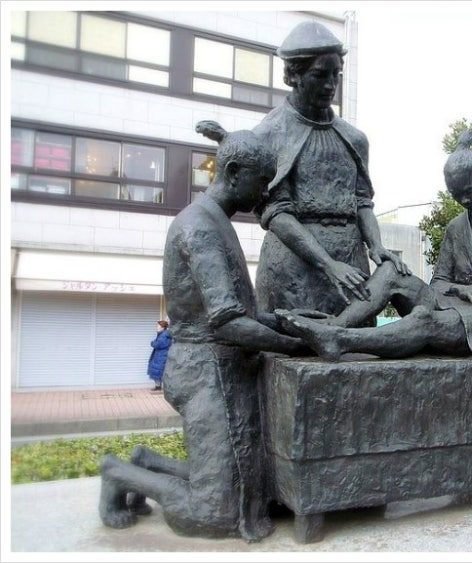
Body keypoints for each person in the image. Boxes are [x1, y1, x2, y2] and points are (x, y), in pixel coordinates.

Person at [98, 122, 311, 542]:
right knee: (214, 513)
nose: (264, 193)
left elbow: (242, 312)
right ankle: (117, 473)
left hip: (225, 367)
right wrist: (293, 344)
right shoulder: (199, 226)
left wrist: (287, 320)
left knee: (247, 486)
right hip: (203, 369)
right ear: (233, 173)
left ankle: (147, 462)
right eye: (261, 182)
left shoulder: (217, 221)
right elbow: (227, 321)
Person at [275, 131, 472, 423]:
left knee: (424, 319)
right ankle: (333, 328)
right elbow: (438, 283)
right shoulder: (456, 228)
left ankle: (340, 339)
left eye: (469, 190)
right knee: (391, 271)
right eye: (456, 195)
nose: (464, 199)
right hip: (454, 301)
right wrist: (463, 290)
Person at [253, 21, 410, 322]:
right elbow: (276, 213)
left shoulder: (354, 138)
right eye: (319, 75)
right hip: (293, 265)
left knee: (356, 341)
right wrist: (328, 264)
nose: (330, 85)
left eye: (335, 74)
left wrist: (376, 246)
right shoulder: (269, 134)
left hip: (351, 259)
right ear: (294, 76)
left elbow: (362, 201)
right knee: (296, 343)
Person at [147, 320, 171, 391]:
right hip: (160, 355)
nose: (156, 327)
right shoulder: (162, 334)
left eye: (158, 326)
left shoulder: (164, 335)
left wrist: (152, 343)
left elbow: (158, 344)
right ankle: (158, 386)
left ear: (162, 327)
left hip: (162, 356)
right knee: (158, 371)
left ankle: (159, 387)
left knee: (158, 371)